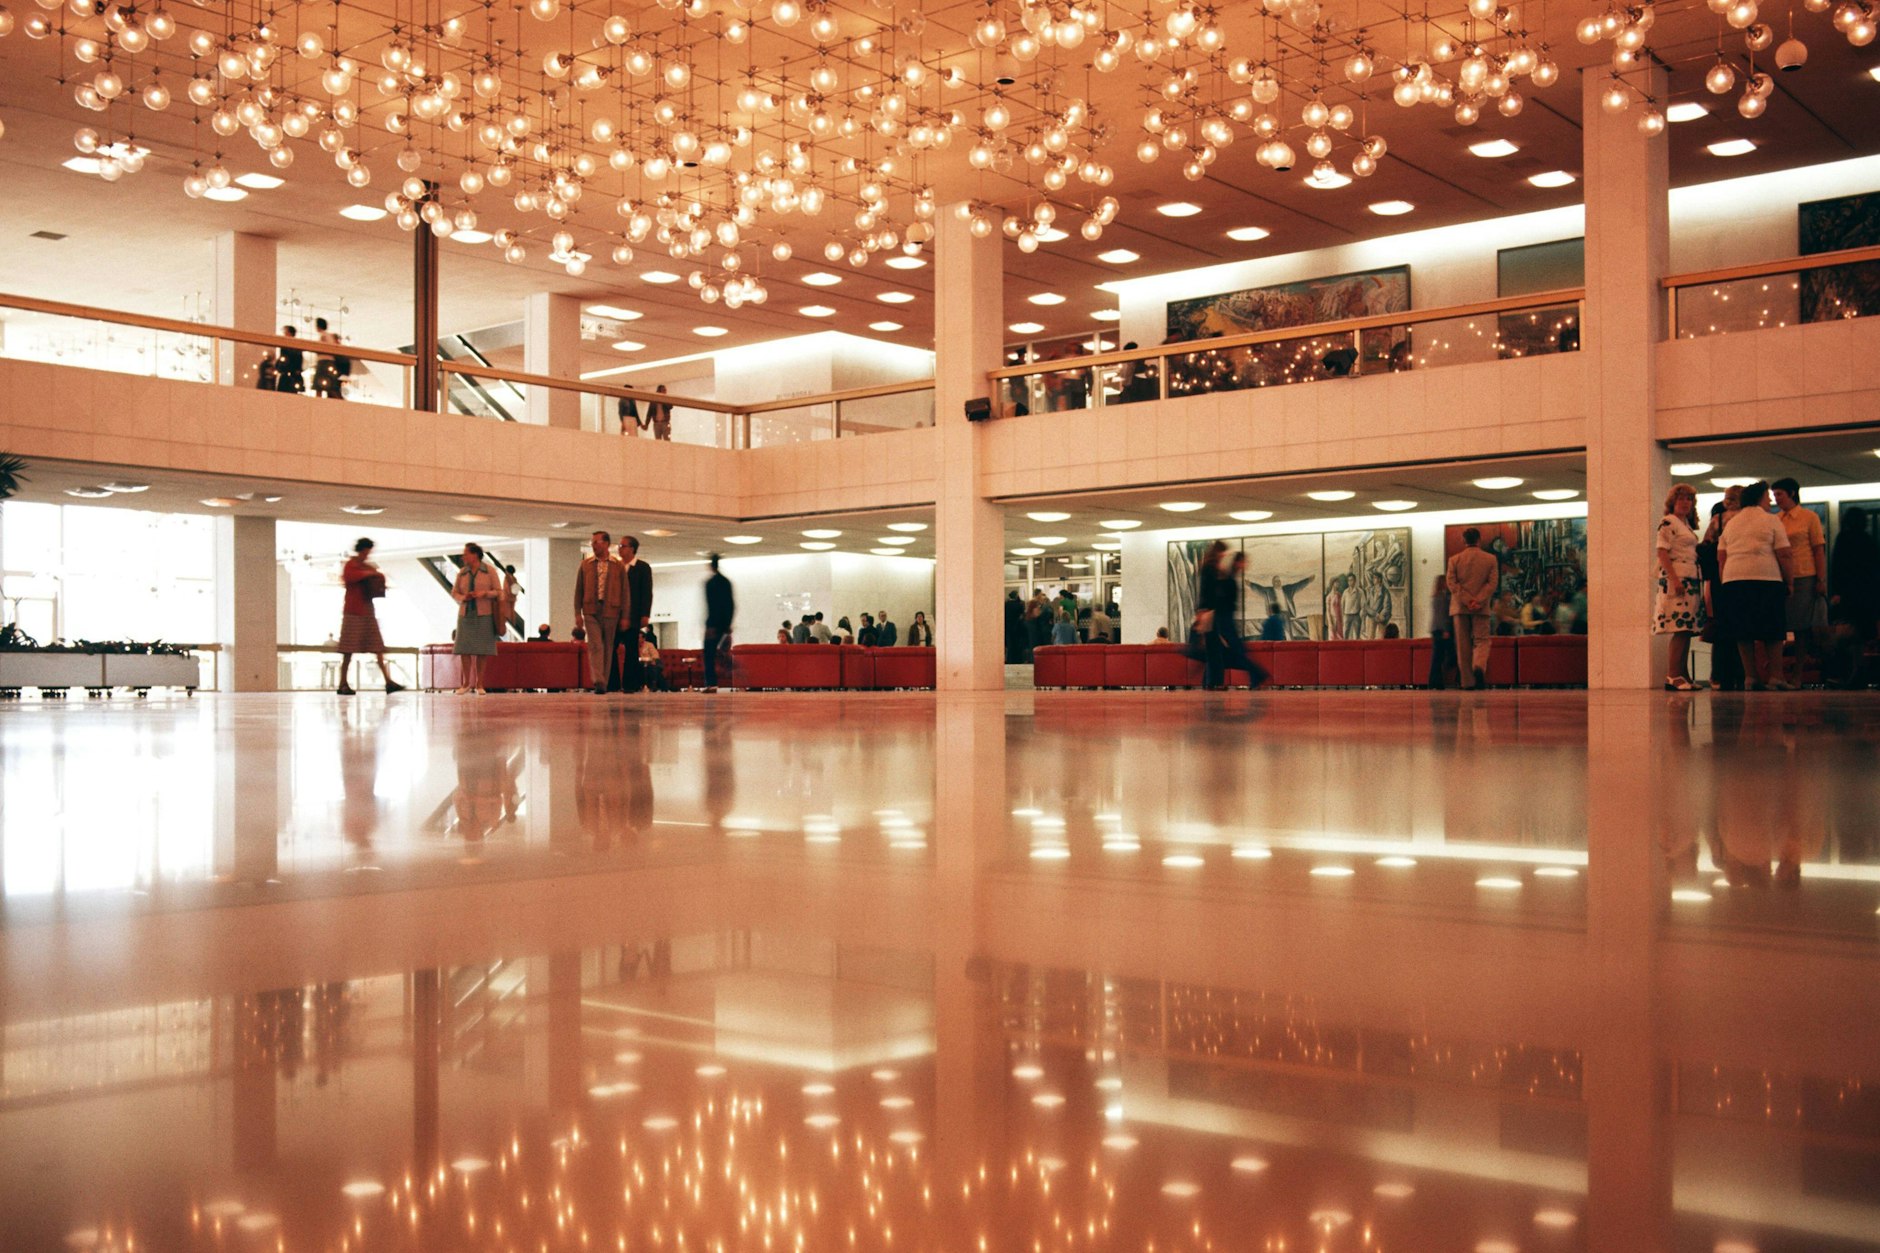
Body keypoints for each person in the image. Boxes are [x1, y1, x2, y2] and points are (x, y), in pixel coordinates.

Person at [1718, 480, 1794, 690]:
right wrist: (1790, 580)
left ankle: (1750, 677)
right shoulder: (1771, 521)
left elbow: (1721, 556)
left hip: (1734, 580)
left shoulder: (1732, 522)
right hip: (1766, 578)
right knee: (1773, 628)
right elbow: (1784, 553)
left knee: (1743, 631)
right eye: (1767, 497)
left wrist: (1725, 581)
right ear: (1759, 498)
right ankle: (1776, 676)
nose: (1770, 500)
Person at [1771, 477, 1827, 688]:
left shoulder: (1808, 517)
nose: (1777, 499)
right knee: (1781, 624)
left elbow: (1818, 549)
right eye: (1775, 495)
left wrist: (1821, 579)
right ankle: (1780, 673)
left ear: (1792, 493)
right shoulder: (1776, 520)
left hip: (1804, 574)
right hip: (1781, 576)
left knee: (1802, 626)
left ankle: (1798, 674)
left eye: (1780, 494)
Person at [1655, 483, 1707, 691]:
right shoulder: (1668, 522)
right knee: (1679, 628)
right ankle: (1673, 674)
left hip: (1691, 579)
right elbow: (1662, 552)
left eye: (1689, 499)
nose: (1685, 503)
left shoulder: (1685, 525)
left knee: (1687, 629)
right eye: (1681, 499)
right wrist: (1674, 579)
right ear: (1673, 502)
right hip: (1677, 579)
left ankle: (1683, 674)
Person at [337, 537, 403, 695]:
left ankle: (388, 681)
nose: (368, 554)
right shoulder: (352, 565)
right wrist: (369, 574)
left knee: (377, 647)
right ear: (362, 550)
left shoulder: (363, 566)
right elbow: (352, 577)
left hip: (366, 610)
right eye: (367, 551)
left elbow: (378, 576)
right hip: (354, 611)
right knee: (348, 650)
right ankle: (343, 683)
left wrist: (370, 573)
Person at [1828, 505, 1879, 687]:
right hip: (1867, 595)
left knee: (1844, 634)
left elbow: (1838, 567)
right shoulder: (1869, 540)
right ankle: (1858, 672)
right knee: (1861, 635)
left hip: (1848, 594)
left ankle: (1843, 672)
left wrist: (1836, 591)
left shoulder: (1844, 539)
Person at [1699, 489, 1744, 690]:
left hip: (1719, 578)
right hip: (1741, 575)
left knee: (1722, 627)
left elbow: (1706, 545)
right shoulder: (1747, 519)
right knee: (1741, 626)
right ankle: (1741, 673)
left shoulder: (1717, 520)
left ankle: (1720, 674)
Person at [1446, 526, 1499, 690]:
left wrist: (1467, 600)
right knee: (1481, 640)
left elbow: (1452, 584)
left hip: (1460, 608)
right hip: (1481, 608)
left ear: (1464, 541)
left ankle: (1467, 682)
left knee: (1463, 645)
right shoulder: (1490, 559)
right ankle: (1479, 667)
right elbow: (1492, 584)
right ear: (1479, 540)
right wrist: (1479, 600)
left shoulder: (1454, 560)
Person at [573, 531, 626, 695]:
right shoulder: (586, 565)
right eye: (593, 542)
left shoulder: (618, 566)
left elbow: (625, 592)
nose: (594, 545)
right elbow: (578, 590)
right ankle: (599, 681)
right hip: (590, 610)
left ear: (607, 544)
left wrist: (625, 615)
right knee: (596, 645)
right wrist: (577, 613)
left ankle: (605, 679)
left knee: (608, 646)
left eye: (597, 542)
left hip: (611, 610)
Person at [451, 542, 501, 693]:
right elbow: (454, 592)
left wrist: (484, 593)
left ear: (475, 555)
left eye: (466, 553)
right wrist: (463, 597)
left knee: (482, 650)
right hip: (466, 614)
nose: (463, 556)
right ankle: (466, 683)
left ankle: (480, 684)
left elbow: (499, 591)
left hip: (484, 614)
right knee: (464, 649)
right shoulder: (462, 573)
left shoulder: (489, 571)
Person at [615, 535, 655, 692]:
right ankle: (614, 683)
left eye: (622, 545)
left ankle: (630, 684)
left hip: (634, 615)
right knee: (612, 649)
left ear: (632, 549)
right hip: (615, 615)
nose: (619, 548)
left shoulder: (642, 567)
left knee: (631, 650)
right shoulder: (616, 567)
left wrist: (645, 614)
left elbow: (646, 592)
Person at [703, 553, 734, 691]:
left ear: (711, 566)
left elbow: (712, 606)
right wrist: (728, 624)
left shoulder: (710, 583)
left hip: (713, 624)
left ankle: (711, 683)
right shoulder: (726, 582)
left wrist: (710, 625)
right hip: (724, 624)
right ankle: (728, 673)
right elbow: (730, 604)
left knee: (709, 653)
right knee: (721, 651)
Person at [1427, 574, 1455, 689]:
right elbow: (1442, 616)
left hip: (1435, 629)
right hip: (1441, 629)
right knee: (1442, 656)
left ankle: (1435, 681)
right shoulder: (1443, 598)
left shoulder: (1435, 597)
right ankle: (1436, 682)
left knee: (1437, 657)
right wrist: (1445, 629)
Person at [312, 317, 344, 399]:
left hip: (324, 362)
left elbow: (321, 349)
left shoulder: (323, 336)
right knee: (330, 386)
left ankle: (317, 402)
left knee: (320, 386)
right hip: (328, 362)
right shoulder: (328, 336)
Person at [274, 326, 305, 393]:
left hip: (290, 374)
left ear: (290, 333)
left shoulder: (294, 346)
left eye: (285, 332)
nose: (284, 334)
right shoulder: (288, 346)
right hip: (288, 374)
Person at [496, 562, 520, 639]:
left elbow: (506, 589)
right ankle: (512, 629)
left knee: (505, 615)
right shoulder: (514, 579)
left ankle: (507, 632)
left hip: (507, 599)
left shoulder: (507, 578)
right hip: (512, 599)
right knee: (511, 614)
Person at [1004, 590, 1026, 663]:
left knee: (1010, 644)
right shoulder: (1019, 605)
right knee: (1017, 645)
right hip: (1018, 627)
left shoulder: (1006, 605)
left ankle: (1010, 659)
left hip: (1008, 627)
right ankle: (1018, 659)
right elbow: (1022, 615)